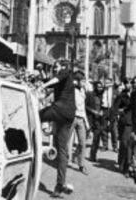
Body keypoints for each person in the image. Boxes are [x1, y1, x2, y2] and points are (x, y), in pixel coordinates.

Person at [39, 59, 76, 197]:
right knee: (62, 150)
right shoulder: (63, 79)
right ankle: (60, 185)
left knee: (34, 116)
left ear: (63, 67)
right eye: (53, 67)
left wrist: (42, 86)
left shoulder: (66, 72)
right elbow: (51, 80)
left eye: (56, 67)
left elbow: (54, 79)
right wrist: (42, 78)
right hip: (68, 116)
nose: (54, 69)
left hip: (60, 110)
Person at [68, 71, 89, 175]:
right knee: (67, 141)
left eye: (85, 81)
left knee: (82, 143)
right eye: (83, 81)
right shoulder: (71, 91)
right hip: (71, 118)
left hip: (81, 119)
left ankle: (81, 164)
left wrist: (87, 122)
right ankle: (65, 161)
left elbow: (83, 108)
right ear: (76, 81)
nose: (84, 83)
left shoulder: (82, 91)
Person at [112, 79, 133, 176]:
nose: (129, 85)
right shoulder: (122, 95)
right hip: (125, 122)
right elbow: (115, 108)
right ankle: (125, 167)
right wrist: (121, 111)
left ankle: (125, 164)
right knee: (125, 144)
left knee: (131, 145)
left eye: (130, 82)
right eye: (127, 83)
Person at [86, 81, 106, 162]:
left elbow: (104, 106)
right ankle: (77, 155)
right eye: (98, 87)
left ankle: (92, 156)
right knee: (84, 138)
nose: (100, 89)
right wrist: (93, 111)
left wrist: (102, 112)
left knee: (96, 139)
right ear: (95, 87)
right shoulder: (90, 94)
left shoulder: (102, 96)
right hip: (90, 118)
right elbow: (85, 106)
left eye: (101, 87)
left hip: (99, 120)